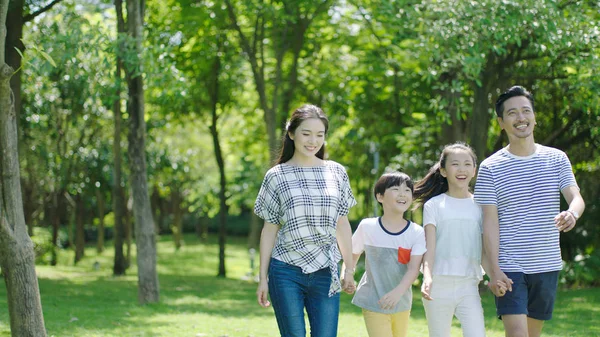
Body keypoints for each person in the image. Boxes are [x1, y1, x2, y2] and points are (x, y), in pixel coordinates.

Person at [474, 85, 586, 337]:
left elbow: (576, 197)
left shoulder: (557, 158)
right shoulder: (490, 167)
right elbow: (488, 223)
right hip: (509, 265)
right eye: (512, 113)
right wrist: (493, 270)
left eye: (526, 111)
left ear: (534, 117)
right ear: (501, 122)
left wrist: (572, 213)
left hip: (546, 264)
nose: (521, 118)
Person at [254, 104, 357, 337]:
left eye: (320, 135)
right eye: (306, 133)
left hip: (325, 271)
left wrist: (348, 269)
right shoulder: (277, 176)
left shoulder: (337, 172)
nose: (313, 141)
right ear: (291, 134)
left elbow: (342, 224)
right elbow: (269, 229)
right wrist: (263, 278)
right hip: (286, 270)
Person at [413, 142, 501, 337]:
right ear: (443, 171)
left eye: (467, 164)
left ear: (474, 170)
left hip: (469, 286)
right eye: (455, 164)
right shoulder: (434, 205)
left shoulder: (480, 206)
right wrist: (427, 277)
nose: (462, 169)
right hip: (437, 285)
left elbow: (483, 251)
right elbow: (430, 248)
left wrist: (494, 275)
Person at [346, 171, 426, 337]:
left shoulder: (417, 232)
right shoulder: (368, 226)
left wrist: (397, 293)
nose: (402, 194)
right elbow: (352, 254)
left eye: (407, 190)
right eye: (395, 189)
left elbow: (413, 269)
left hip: (402, 302)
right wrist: (347, 274)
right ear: (380, 197)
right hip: (373, 299)